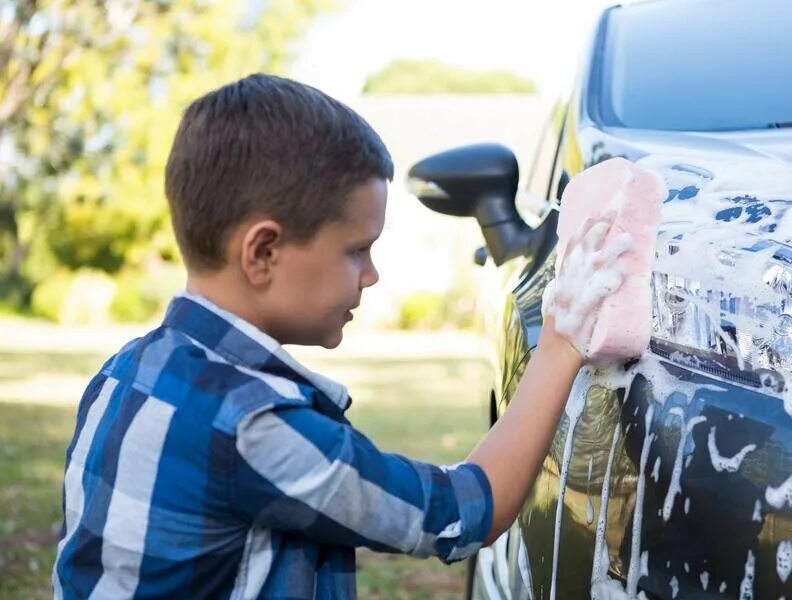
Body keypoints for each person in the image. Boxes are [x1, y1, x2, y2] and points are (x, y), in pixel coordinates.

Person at [51, 73, 625, 599]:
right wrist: (559, 344)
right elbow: (460, 511)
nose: (371, 275)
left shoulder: (122, 373)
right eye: (356, 250)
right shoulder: (255, 428)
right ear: (263, 252)